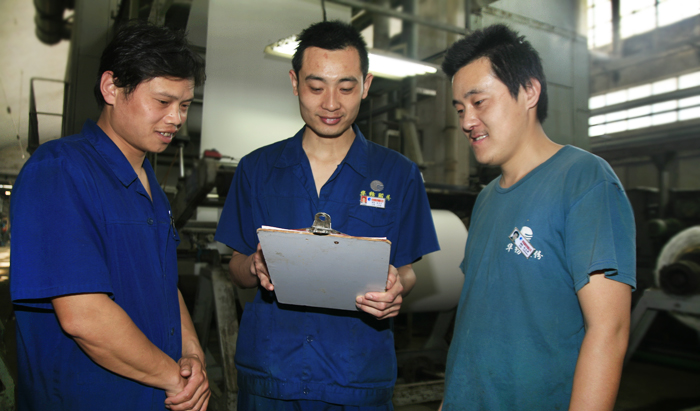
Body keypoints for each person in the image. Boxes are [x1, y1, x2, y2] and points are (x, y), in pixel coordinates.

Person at [215, 20, 440, 410]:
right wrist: (254, 265)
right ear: (294, 82)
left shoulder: (399, 174)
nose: (331, 103)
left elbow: (406, 270)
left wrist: (396, 288)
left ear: (367, 85)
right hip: (272, 378)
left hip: (356, 379)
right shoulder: (256, 169)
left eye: (346, 88)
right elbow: (236, 267)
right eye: (316, 87)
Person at [10, 21, 209, 411]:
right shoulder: (60, 170)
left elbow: (164, 284)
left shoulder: (150, 186)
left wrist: (192, 355)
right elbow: (84, 316)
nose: (176, 118)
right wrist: (172, 378)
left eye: (184, 105)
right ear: (111, 88)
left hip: (156, 394)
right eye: (163, 101)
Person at [439, 24, 636, 410]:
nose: (466, 121)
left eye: (479, 103)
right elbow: (476, 321)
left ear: (529, 91)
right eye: (460, 109)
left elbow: (608, 330)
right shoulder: (485, 199)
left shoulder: (584, 180)